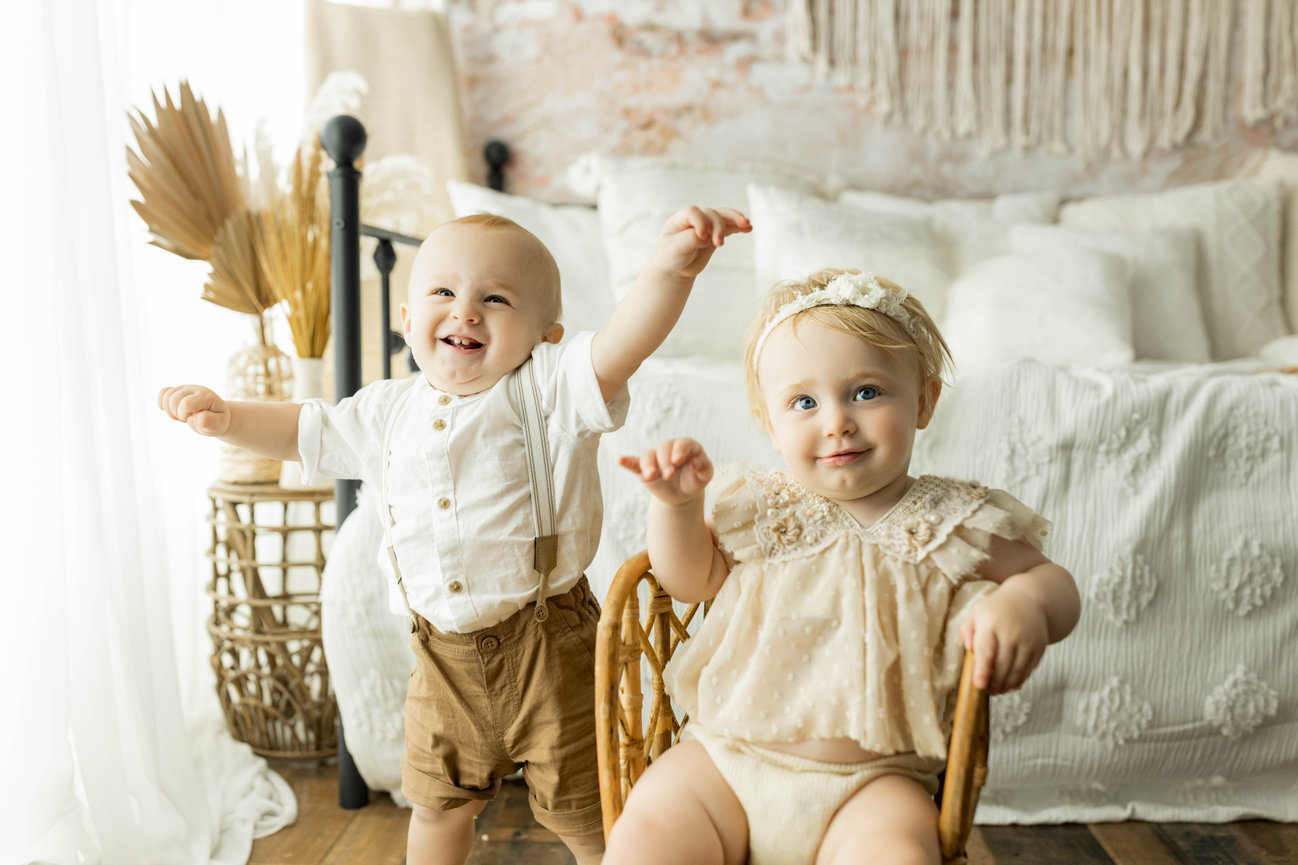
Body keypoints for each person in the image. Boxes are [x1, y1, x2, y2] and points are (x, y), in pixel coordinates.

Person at [158, 206, 751, 865]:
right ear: (408, 320)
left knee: (588, 815)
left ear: (545, 335)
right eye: (443, 292)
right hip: (439, 658)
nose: (465, 311)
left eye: (494, 299)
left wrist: (669, 267)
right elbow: (305, 431)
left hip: (548, 648)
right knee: (437, 809)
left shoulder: (549, 387)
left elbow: (623, 342)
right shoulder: (384, 411)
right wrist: (227, 417)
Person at [611, 268, 1081, 865]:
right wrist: (677, 506)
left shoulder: (954, 520)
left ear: (925, 401)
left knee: (898, 853)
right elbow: (686, 579)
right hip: (725, 763)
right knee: (647, 836)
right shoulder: (755, 506)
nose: (836, 421)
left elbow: (1051, 580)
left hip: (875, 783)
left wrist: (1027, 604)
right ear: (770, 425)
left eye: (866, 392)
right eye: (803, 402)